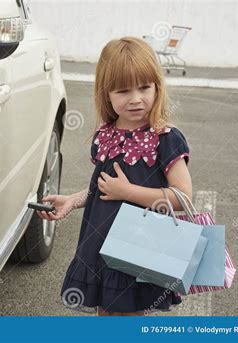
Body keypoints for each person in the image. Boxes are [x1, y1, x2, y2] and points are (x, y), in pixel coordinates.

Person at [36, 37, 192, 316]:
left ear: (157, 86)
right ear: (106, 93)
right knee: (106, 314)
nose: (135, 99)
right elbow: (104, 187)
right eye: (122, 91)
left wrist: (128, 192)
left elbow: (182, 198)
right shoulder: (107, 134)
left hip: (136, 251)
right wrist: (74, 200)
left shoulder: (165, 138)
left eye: (144, 87)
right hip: (100, 247)